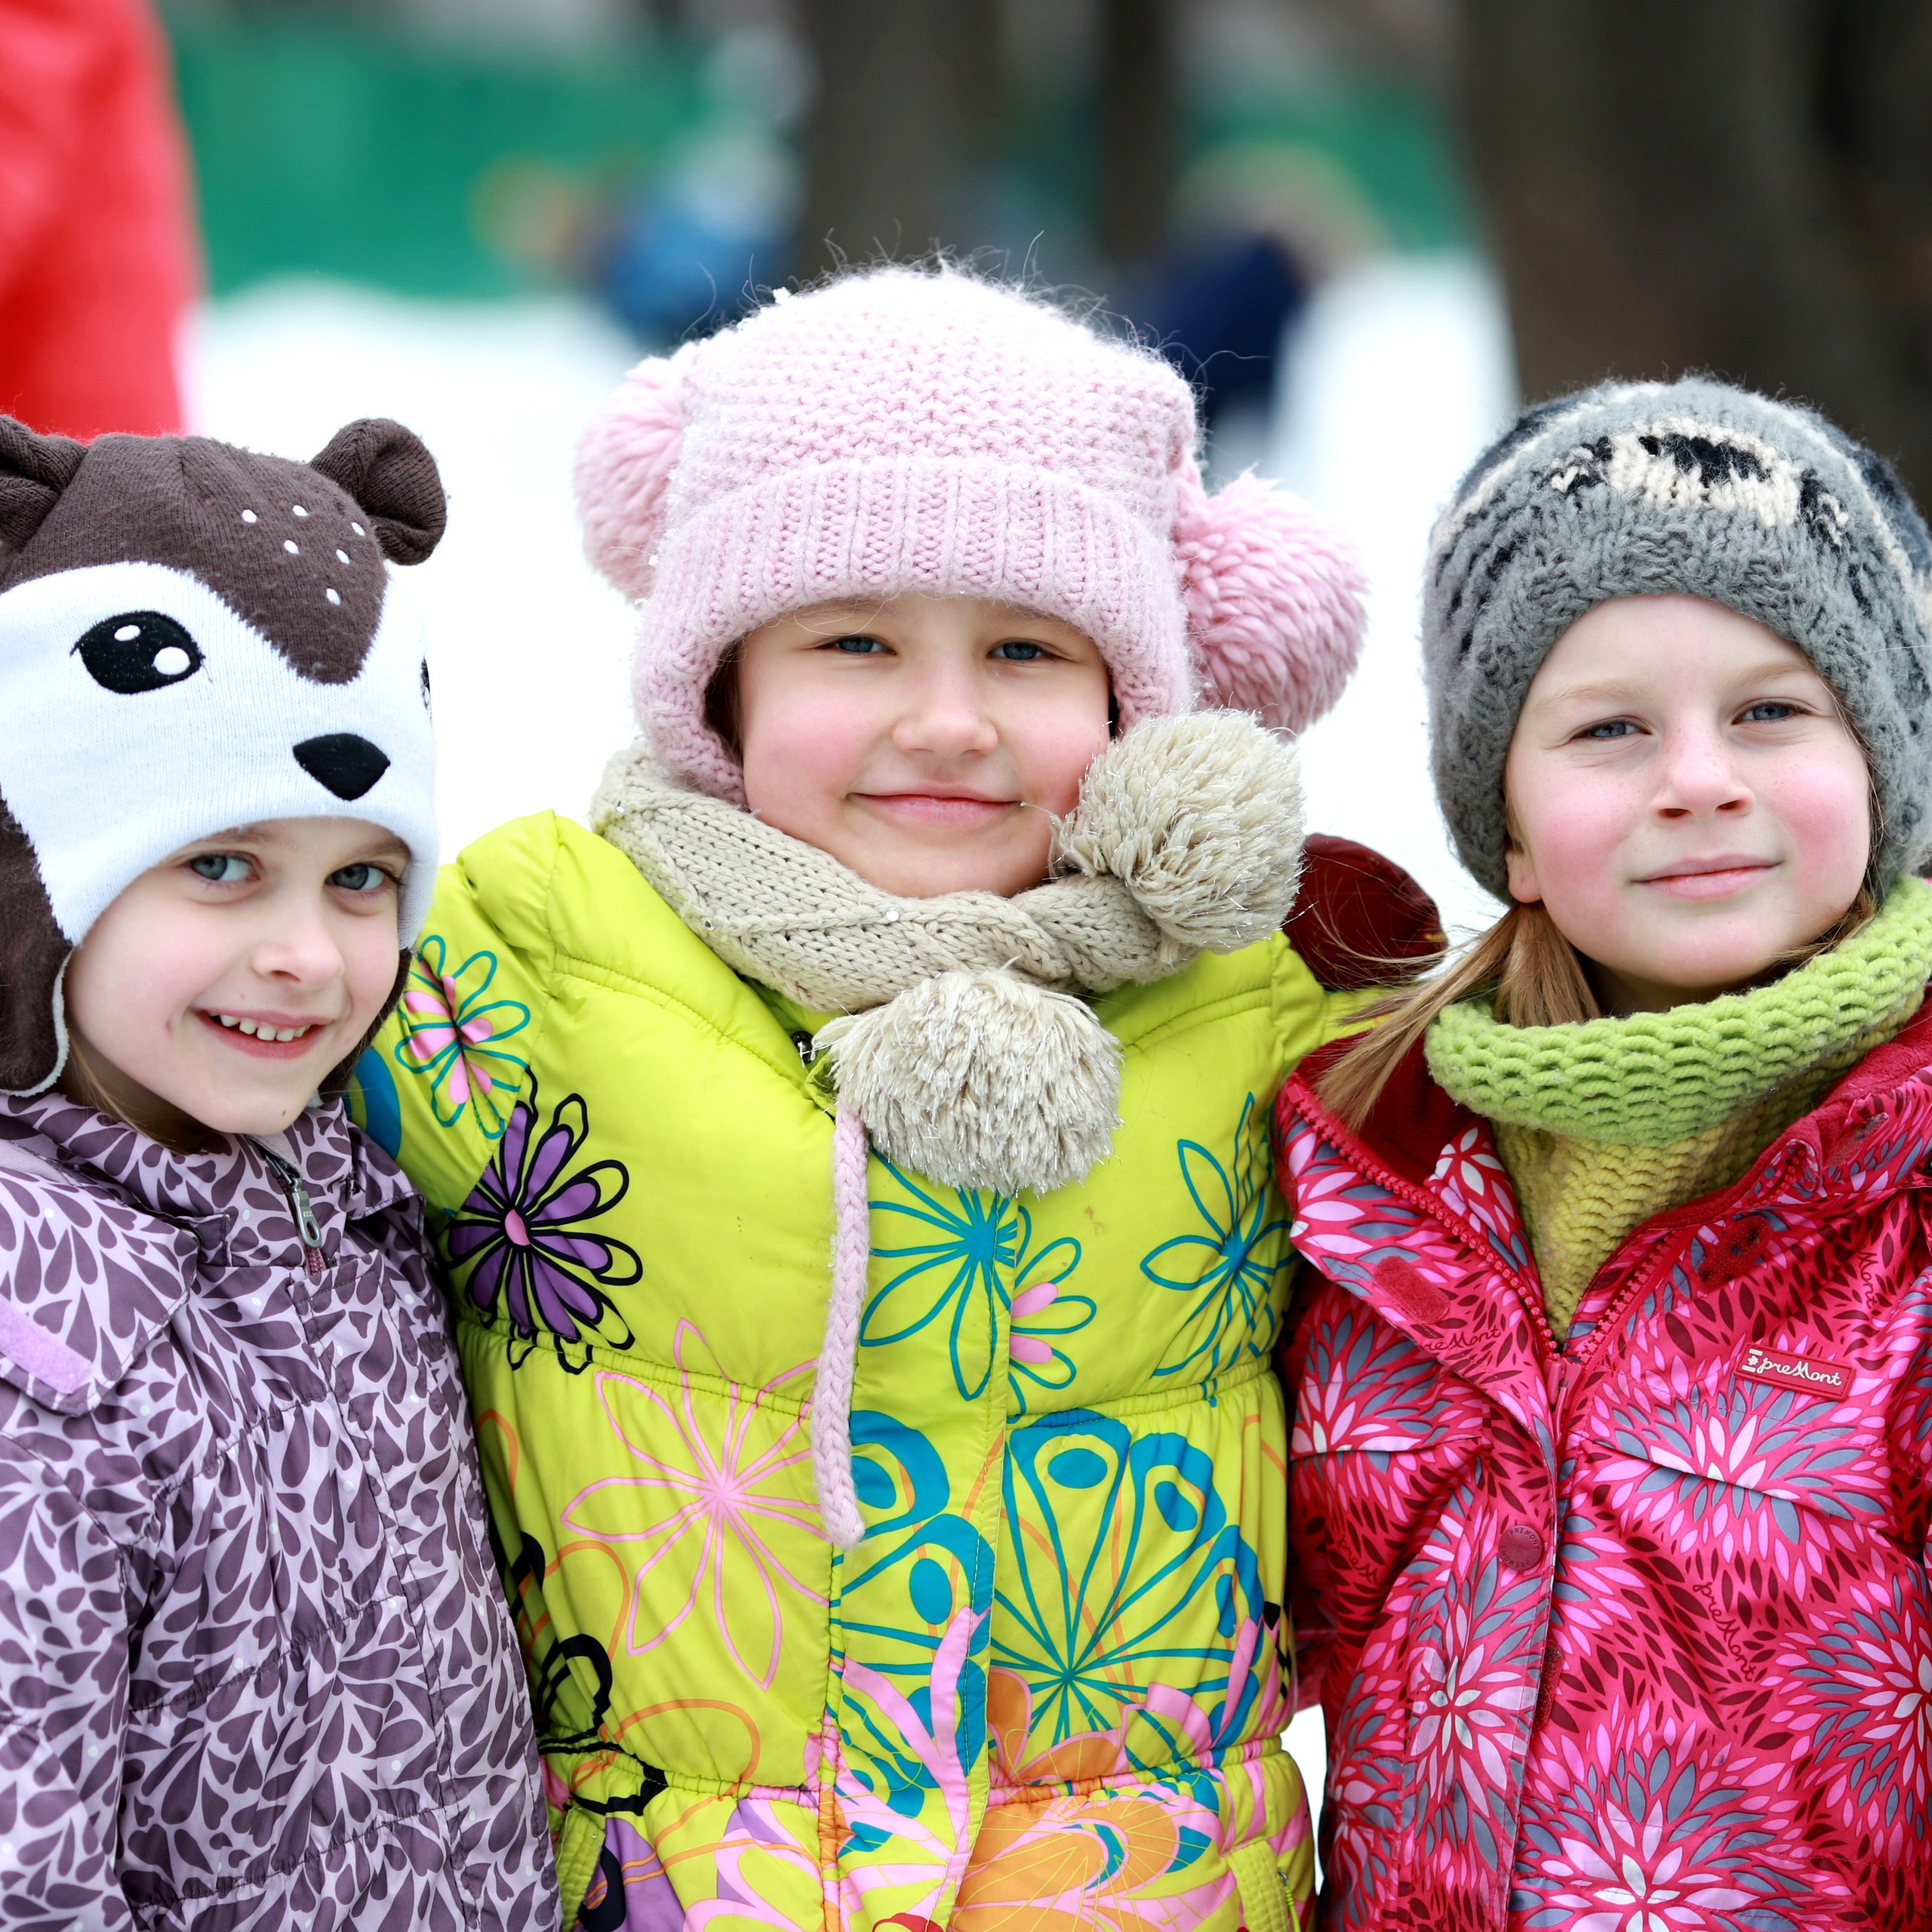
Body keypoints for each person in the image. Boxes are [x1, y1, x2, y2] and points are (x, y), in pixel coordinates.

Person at [351, 266, 1436, 1930]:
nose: (946, 721)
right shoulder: (537, 963)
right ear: (721, 684)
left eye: (1025, 650)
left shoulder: (1263, 1011)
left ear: (1130, 701)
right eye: (853, 642)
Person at [1275, 377, 1932, 1928]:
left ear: (1882, 770)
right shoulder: (1356, 1169)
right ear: (1505, 823)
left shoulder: (1906, 1195)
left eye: (1769, 711)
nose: (1697, 777)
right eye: (1609, 728)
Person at [0, 415, 553, 1922]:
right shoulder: (45, 1337)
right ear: (41, 885)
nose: (308, 953)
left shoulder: (354, 1196)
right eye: (220, 864)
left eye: (362, 876)